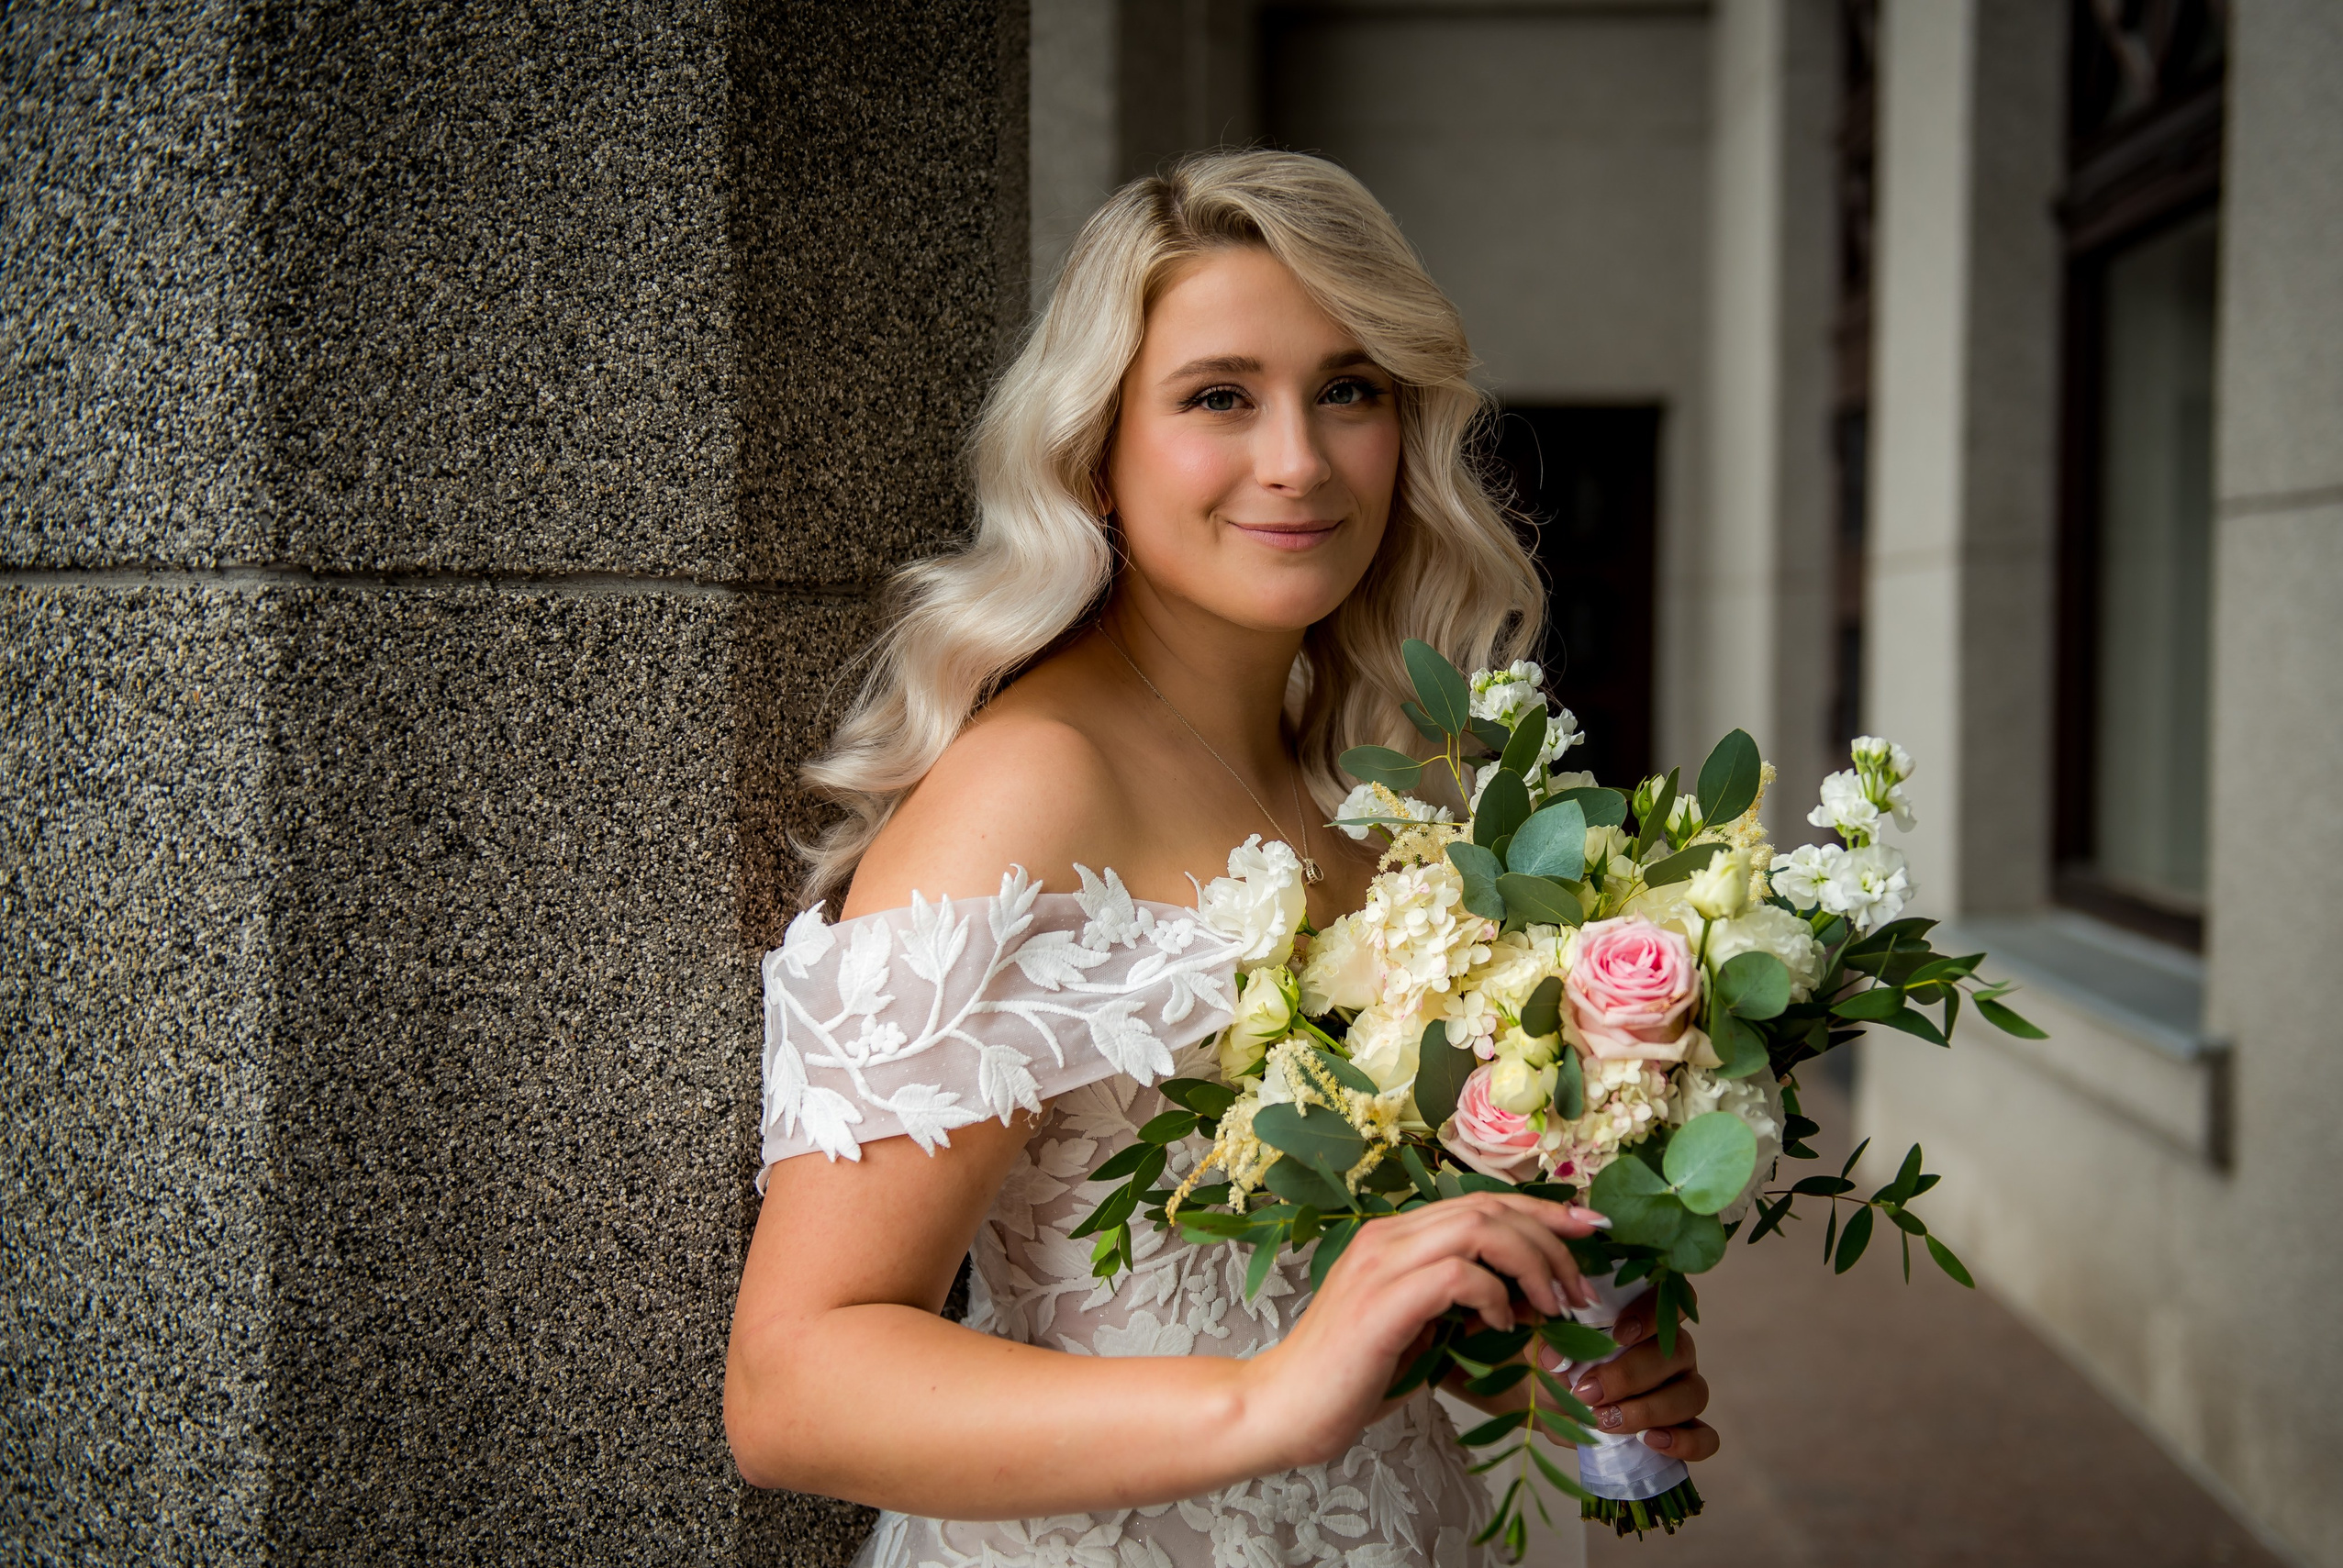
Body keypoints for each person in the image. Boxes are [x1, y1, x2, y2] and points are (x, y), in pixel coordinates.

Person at [726, 150, 1716, 1568]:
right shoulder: (1030, 787)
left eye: (1350, 389)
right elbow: (791, 1385)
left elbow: (1319, 1283)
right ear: (1096, 452)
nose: (1299, 460)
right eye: (1218, 397)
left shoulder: (1375, 784)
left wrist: (1533, 1325)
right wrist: (1266, 1398)